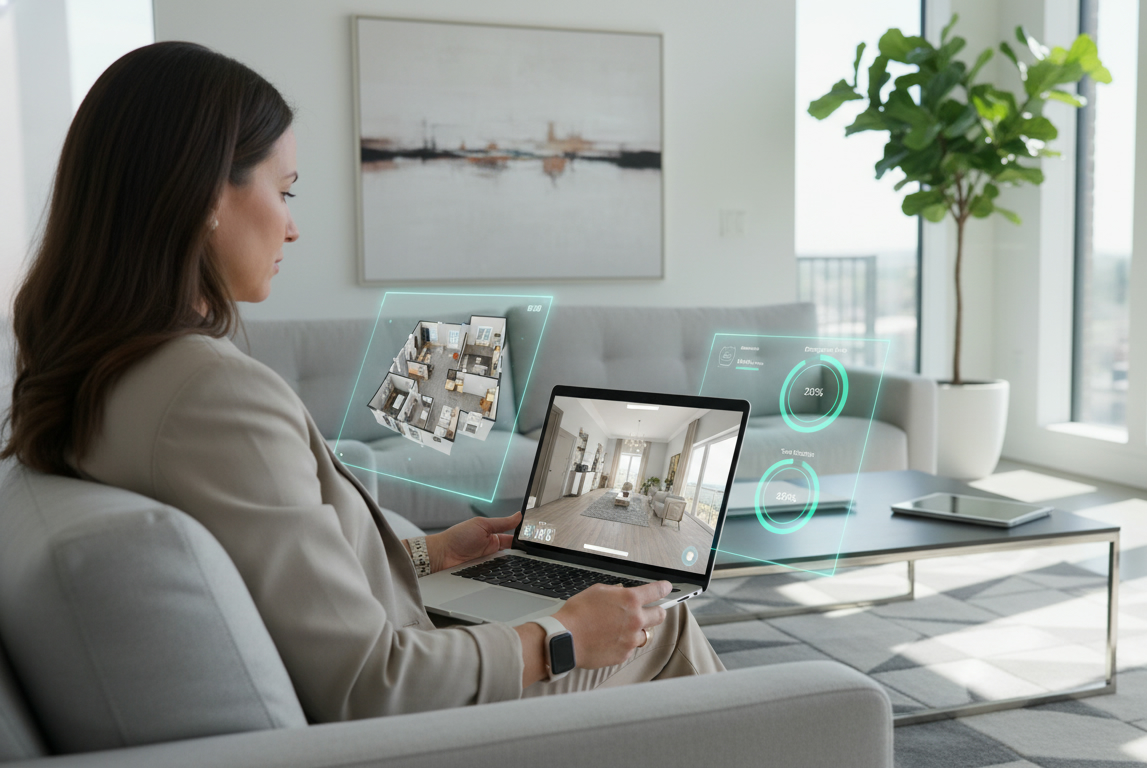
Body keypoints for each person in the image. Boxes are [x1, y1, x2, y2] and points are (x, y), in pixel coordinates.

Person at [2, 41, 724, 722]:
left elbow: (274, 576)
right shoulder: (212, 397)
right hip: (405, 730)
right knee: (660, 623)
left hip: (392, 679)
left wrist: (435, 553)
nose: (291, 228)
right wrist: (562, 635)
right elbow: (369, 684)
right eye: (284, 191)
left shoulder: (97, 376)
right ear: (204, 197)